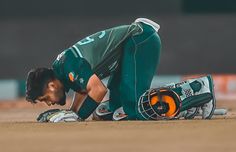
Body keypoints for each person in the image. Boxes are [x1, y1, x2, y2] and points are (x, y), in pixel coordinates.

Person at [25, 18, 216, 122]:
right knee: (110, 113)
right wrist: (73, 113)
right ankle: (186, 105)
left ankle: (198, 89)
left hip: (140, 40)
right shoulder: (62, 68)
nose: (48, 103)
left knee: (137, 109)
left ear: (50, 86)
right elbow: (83, 89)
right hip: (130, 47)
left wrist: (79, 116)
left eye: (44, 99)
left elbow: (98, 90)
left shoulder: (68, 66)